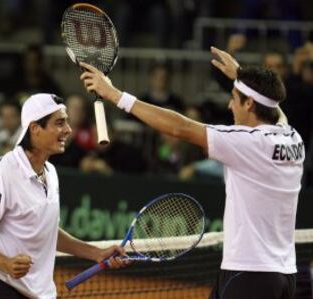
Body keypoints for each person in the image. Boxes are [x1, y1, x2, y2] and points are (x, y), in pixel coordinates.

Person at [79, 46, 305, 298]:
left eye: (234, 97)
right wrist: (240, 76)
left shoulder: (246, 142)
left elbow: (180, 127)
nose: (230, 105)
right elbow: (275, 108)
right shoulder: (292, 137)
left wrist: (114, 94)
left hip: (249, 275)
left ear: (250, 103)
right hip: (283, 273)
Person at [0, 93, 126, 299]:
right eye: (59, 123)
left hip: (39, 291)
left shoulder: (50, 172)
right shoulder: (0, 174)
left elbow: (46, 231)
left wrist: (96, 253)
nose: (68, 129)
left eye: (67, 122)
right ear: (35, 129)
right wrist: (6, 263)